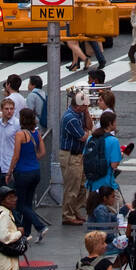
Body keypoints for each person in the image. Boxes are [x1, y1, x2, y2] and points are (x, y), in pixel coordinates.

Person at [7, 109, 47, 243]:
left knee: (20, 204)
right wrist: (32, 158)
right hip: (35, 171)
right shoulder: (37, 133)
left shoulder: (20, 134)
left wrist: (9, 171)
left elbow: (16, 155)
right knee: (28, 204)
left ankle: (40, 226)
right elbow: (42, 152)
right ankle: (27, 232)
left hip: (23, 172)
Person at [59, 90, 88, 226]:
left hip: (78, 154)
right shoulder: (70, 118)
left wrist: (86, 112)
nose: (85, 108)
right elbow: (83, 136)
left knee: (81, 186)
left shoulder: (79, 114)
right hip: (70, 155)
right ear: (77, 106)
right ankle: (67, 214)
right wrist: (88, 133)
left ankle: (75, 210)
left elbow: (89, 126)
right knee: (72, 187)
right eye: (84, 106)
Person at [83, 111, 121, 201]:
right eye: (115, 122)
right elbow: (114, 165)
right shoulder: (113, 141)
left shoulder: (91, 138)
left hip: (92, 184)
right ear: (110, 124)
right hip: (107, 185)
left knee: (93, 211)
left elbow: (85, 156)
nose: (116, 124)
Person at [0, 98, 20, 188]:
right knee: (0, 196)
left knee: (12, 197)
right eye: (6, 109)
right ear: (2, 110)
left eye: (11, 109)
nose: (9, 111)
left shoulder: (17, 124)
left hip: (13, 167)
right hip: (0, 167)